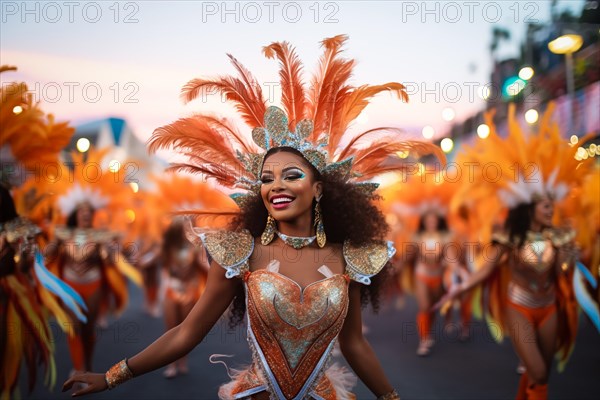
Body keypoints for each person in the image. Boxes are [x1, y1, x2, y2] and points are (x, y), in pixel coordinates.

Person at [62, 35, 443, 399]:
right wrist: (112, 376)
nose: (276, 186)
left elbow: (354, 343)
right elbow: (187, 332)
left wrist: (391, 396)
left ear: (319, 189)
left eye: (291, 176)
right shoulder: (240, 252)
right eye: (266, 178)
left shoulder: (351, 257)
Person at [436, 104, 593, 400]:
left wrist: (568, 262)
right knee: (538, 371)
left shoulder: (558, 237)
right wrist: (458, 290)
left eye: (552, 205)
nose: (552, 210)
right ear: (530, 207)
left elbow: (560, 271)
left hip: (549, 309)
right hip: (518, 308)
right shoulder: (507, 239)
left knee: (541, 373)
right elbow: (485, 270)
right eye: (546, 206)